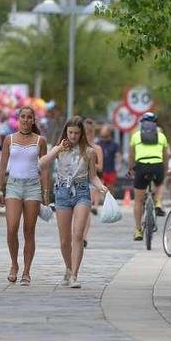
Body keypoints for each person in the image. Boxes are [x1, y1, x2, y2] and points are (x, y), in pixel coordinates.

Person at [39, 116, 108, 289]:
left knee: (78, 235)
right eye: (70, 132)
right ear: (66, 132)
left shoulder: (89, 151)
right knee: (64, 240)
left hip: (82, 192)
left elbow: (93, 176)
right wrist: (58, 149)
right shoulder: (59, 149)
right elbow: (42, 163)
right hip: (62, 192)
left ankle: (75, 275)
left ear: (82, 133)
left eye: (77, 133)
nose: (73, 136)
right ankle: (68, 269)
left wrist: (101, 187)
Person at [0, 106, 48, 286]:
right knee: (11, 228)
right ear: (18, 119)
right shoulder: (9, 139)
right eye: (22, 117)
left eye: (29, 117)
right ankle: (14, 264)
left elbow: (45, 168)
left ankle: (26, 271)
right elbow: (2, 166)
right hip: (14, 186)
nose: (25, 120)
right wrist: (0, 189)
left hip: (33, 186)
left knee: (29, 230)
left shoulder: (40, 141)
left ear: (33, 120)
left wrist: (46, 192)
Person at [128, 112, 170, 241]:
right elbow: (166, 155)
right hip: (157, 165)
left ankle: (138, 230)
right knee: (161, 182)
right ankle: (158, 201)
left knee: (139, 201)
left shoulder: (135, 136)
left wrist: (131, 168)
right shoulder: (162, 136)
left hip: (141, 166)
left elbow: (131, 155)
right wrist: (165, 169)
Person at [82, 118, 105, 245]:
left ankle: (84, 237)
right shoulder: (76, 146)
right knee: (77, 211)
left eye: (89, 132)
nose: (87, 134)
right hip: (77, 180)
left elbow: (100, 167)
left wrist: (89, 163)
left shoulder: (97, 149)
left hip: (90, 180)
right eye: (85, 132)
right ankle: (78, 234)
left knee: (86, 209)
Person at [97, 124, 121, 192]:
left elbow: (118, 156)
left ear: (109, 134)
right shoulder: (98, 144)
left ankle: (110, 202)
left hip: (111, 171)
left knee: (110, 190)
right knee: (100, 190)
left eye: (105, 136)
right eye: (102, 136)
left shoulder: (114, 145)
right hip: (100, 171)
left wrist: (118, 167)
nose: (103, 138)